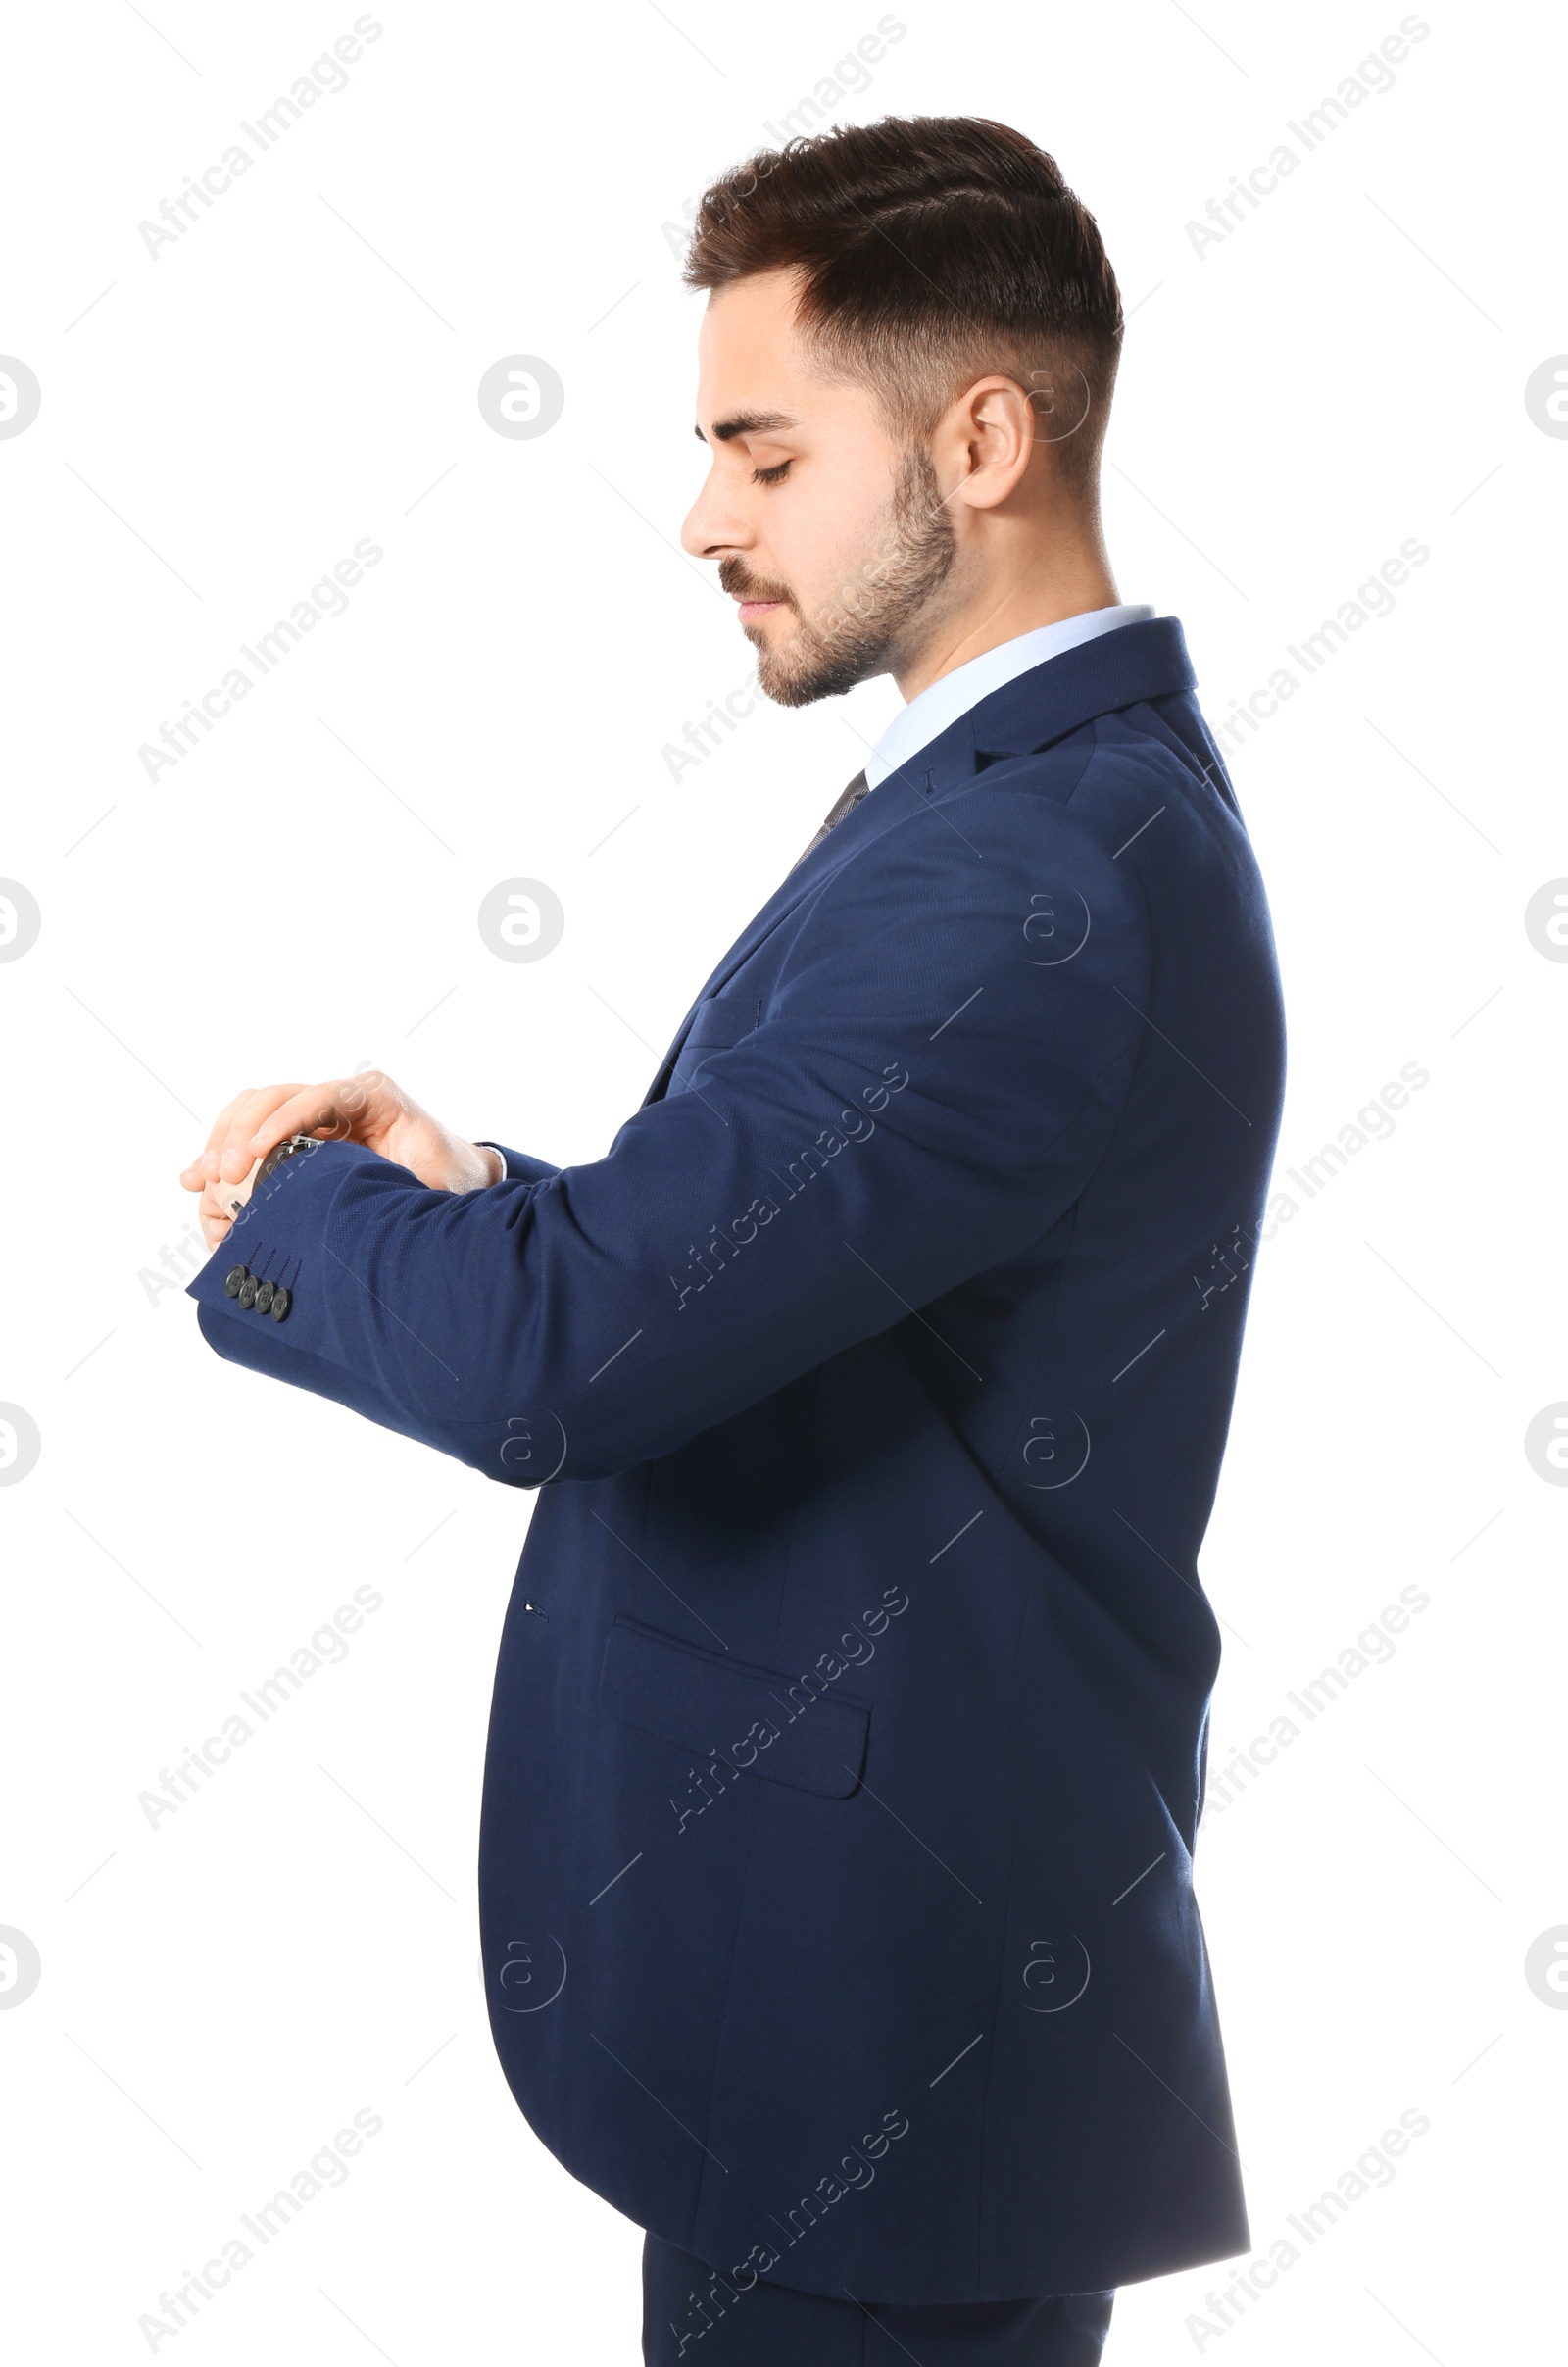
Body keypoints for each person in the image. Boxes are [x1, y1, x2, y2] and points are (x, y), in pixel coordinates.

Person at [180, 115, 1285, 2367]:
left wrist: (302, 1219)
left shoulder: (1028, 870)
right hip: (853, 2019)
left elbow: (557, 1359)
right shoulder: (1022, 800)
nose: (702, 518)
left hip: (884, 2050)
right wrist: (482, 1190)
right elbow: (793, 1243)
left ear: (976, 438)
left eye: (760, 455)